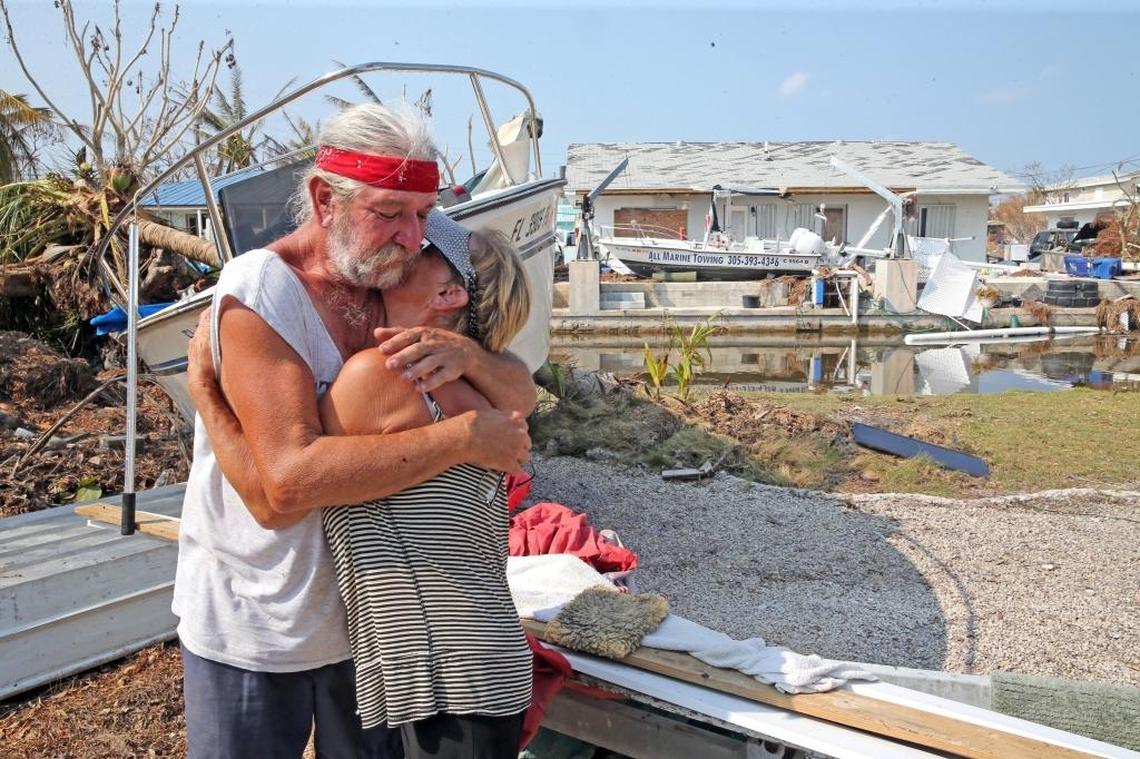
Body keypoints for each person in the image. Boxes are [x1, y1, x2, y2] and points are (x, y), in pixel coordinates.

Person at [173, 103, 535, 759]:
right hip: (259, 621)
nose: (410, 234)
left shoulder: (387, 275)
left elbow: (520, 389)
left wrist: (474, 357)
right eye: (390, 211)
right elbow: (282, 487)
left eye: (424, 215)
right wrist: (462, 439)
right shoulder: (263, 289)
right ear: (324, 199)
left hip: (364, 638)